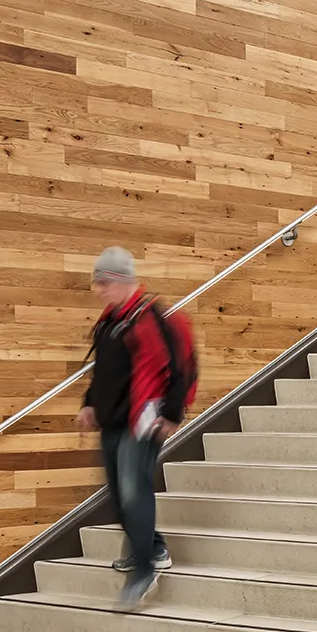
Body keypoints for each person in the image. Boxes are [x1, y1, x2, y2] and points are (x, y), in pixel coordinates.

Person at [77, 246, 195, 609]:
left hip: (142, 421)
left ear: (121, 280)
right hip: (112, 420)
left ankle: (144, 570)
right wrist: (89, 404)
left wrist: (172, 413)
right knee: (117, 495)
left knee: (133, 491)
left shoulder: (150, 316)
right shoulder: (110, 322)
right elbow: (102, 371)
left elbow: (182, 367)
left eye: (104, 283)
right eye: (98, 283)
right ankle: (154, 548)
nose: (99, 290)